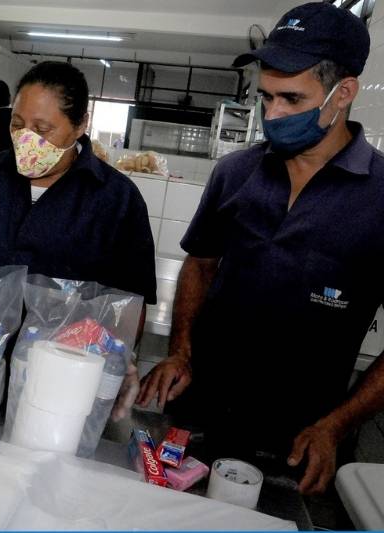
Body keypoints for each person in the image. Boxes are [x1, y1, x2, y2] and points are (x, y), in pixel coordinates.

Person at [137, 2, 384, 495]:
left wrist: (335, 425)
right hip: (198, 417)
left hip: (298, 441)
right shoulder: (236, 174)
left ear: (344, 93)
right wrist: (181, 352)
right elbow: (201, 263)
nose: (272, 115)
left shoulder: (380, 197)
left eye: (291, 99)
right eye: (265, 97)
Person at [0, 61, 157, 419]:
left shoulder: (116, 199)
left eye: (43, 130)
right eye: (17, 124)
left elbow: (130, 302)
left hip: (58, 388)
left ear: (80, 126)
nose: (26, 139)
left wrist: (120, 360)